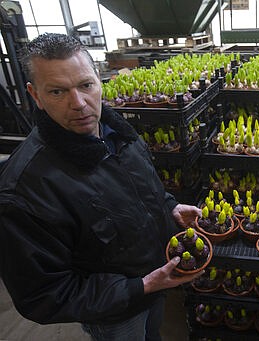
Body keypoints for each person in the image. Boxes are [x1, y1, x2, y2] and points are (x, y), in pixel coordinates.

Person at [0, 32, 203, 340]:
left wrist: (169, 207)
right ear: (35, 96)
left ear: (99, 80)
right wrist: (141, 286)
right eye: (57, 92)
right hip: (115, 314)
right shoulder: (24, 189)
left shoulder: (117, 131)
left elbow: (143, 188)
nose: (79, 103)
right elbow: (43, 294)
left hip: (157, 282)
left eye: (85, 85)